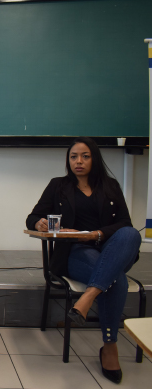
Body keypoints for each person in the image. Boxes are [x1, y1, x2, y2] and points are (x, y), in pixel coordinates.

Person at [26, 137, 141, 384]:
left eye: (85, 156)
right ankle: (110, 346)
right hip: (75, 253)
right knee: (116, 278)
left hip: (109, 249)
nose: (78, 161)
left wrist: (96, 234)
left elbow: (124, 224)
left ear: (94, 158)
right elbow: (33, 216)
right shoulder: (58, 186)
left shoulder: (110, 186)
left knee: (130, 234)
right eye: (73, 157)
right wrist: (38, 222)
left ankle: (87, 297)